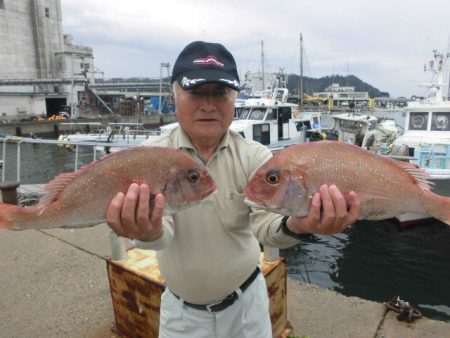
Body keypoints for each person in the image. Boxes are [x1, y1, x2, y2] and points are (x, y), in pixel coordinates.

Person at [106, 41, 361, 338]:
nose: (209, 104)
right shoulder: (150, 156)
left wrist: (300, 224)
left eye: (220, 93)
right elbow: (162, 234)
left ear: (234, 98)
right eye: (197, 91)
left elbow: (266, 228)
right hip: (181, 315)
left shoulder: (255, 157)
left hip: (248, 306)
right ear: (174, 94)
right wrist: (145, 232)